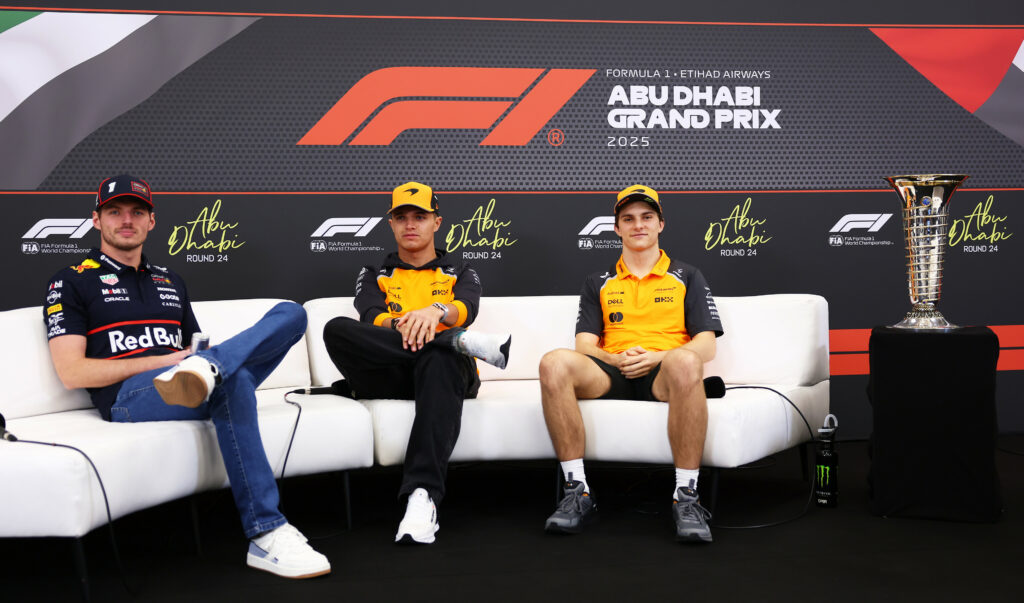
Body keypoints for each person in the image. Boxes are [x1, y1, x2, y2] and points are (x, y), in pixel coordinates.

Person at [43, 175, 330, 579]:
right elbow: (72, 372)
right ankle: (267, 531)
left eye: (137, 212)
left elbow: (192, 348)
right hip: (127, 397)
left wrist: (197, 361)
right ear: (96, 219)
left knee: (292, 313)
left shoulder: (170, 280)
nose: (126, 220)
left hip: (188, 376)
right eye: (114, 211)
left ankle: (214, 367)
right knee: (233, 381)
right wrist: (166, 360)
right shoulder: (71, 280)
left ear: (151, 221)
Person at [322, 182, 511, 545]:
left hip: (447, 375)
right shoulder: (374, 272)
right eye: (401, 217)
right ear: (391, 224)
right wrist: (407, 325)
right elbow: (370, 315)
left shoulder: (461, 270)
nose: (410, 224)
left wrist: (434, 311)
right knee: (336, 329)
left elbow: (466, 308)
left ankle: (421, 496)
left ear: (436, 222)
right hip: (391, 373)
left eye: (420, 216)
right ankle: (455, 341)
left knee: (439, 358)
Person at [538, 185, 724, 542]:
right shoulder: (598, 281)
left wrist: (657, 357)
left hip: (665, 372)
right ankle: (577, 492)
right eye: (628, 219)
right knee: (553, 363)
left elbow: (706, 345)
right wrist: (614, 358)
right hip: (612, 371)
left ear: (660, 224)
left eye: (646, 217)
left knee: (687, 361)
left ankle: (686, 497)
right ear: (616, 228)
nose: (638, 225)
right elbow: (584, 345)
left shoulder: (687, 275)